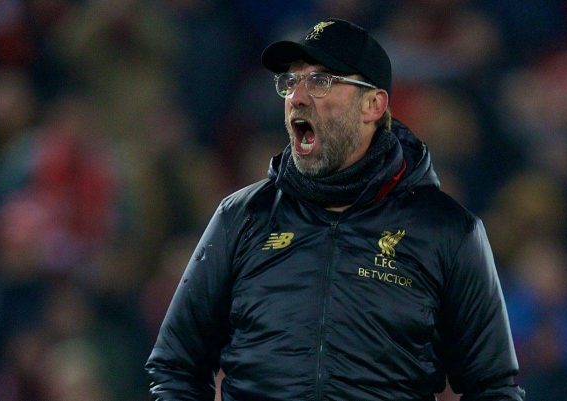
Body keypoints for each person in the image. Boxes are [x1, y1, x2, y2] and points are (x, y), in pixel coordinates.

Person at [145, 18, 525, 401]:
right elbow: (176, 367)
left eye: (321, 81)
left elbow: (491, 387)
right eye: (291, 82)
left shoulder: (447, 231)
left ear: (373, 105)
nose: (297, 96)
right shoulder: (242, 217)